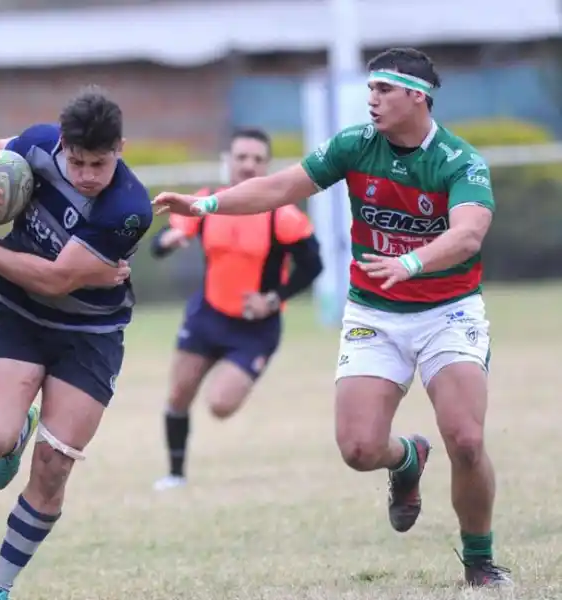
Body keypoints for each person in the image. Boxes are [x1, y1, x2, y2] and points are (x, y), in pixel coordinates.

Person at [152, 47, 511, 588]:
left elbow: (468, 234)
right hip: (374, 311)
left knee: (465, 439)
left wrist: (411, 262)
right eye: (369, 89)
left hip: (448, 311)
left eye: (383, 90)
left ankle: (480, 561)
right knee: (359, 449)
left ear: (417, 96)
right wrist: (203, 206)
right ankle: (406, 459)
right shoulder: (354, 146)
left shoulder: (460, 161)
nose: (372, 100)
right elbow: (278, 188)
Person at [0, 87, 149, 600]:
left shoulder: (128, 208)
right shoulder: (40, 144)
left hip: (90, 336)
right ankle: (20, 425)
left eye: (101, 162)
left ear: (122, 149)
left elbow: (54, 279)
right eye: (78, 160)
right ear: (61, 143)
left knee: (53, 466)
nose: (88, 174)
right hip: (21, 319)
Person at [149, 128, 322, 491]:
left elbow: (313, 265)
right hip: (207, 315)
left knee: (220, 405)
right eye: (241, 157)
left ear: (267, 166)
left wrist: (273, 299)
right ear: (228, 162)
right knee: (179, 394)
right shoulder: (207, 202)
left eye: (257, 159)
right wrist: (168, 241)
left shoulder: (283, 216)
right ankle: (175, 475)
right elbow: (160, 244)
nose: (248, 165)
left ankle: (241, 369)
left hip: (254, 328)